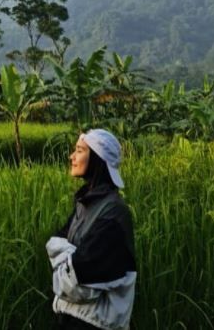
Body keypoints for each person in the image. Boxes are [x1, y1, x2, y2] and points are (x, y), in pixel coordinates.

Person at [46, 129, 137, 330]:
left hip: (96, 324)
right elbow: (54, 243)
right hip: (70, 319)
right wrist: (69, 262)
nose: (72, 156)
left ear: (96, 159)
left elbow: (79, 281)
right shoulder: (84, 204)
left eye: (79, 150)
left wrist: (63, 268)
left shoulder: (113, 213)